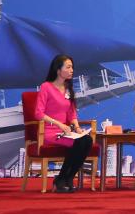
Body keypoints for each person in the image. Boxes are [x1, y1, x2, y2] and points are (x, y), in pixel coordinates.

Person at [34, 54, 94, 193]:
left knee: (87, 140)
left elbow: (71, 114)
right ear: (58, 70)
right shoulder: (46, 87)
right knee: (78, 142)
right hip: (49, 131)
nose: (72, 70)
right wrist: (59, 124)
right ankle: (62, 179)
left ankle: (67, 177)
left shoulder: (68, 89)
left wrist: (77, 128)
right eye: (68, 67)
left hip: (65, 132)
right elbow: (38, 113)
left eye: (72, 67)